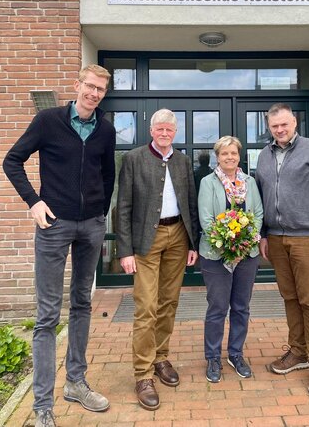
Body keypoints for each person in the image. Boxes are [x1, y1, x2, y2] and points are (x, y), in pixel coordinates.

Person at [3, 64, 116, 427]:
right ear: (77, 85)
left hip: (91, 226)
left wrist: (100, 213)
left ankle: (76, 383)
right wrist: (34, 201)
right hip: (53, 224)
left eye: (100, 89)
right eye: (90, 86)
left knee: (82, 303)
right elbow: (12, 161)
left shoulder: (106, 128)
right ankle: (42, 406)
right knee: (48, 315)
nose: (94, 93)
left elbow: (107, 175)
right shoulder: (48, 121)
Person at [116, 108, 199, 411]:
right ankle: (143, 374)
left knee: (169, 302)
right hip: (145, 242)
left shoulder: (183, 161)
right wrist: (124, 250)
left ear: (175, 133)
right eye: (159, 129)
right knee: (146, 307)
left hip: (177, 235)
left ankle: (161, 357)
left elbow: (189, 202)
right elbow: (123, 206)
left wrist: (193, 242)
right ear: (151, 130)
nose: (164, 134)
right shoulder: (134, 159)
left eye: (169, 130)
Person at [255, 103, 309, 396]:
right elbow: (262, 195)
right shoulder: (265, 156)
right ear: (269, 128)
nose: (280, 130)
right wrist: (264, 234)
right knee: (290, 297)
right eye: (274, 126)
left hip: (307, 238)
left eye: (284, 124)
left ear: (294, 122)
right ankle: (298, 351)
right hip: (276, 239)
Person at [198, 136, 263, 383]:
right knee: (217, 307)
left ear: (239, 156)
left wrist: (246, 238)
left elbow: (257, 212)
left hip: (247, 254)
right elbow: (206, 218)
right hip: (216, 254)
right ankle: (213, 357)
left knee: (241, 307)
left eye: (234, 153)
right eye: (225, 153)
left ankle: (235, 353)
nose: (230, 157)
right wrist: (228, 241)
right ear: (217, 156)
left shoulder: (250, 181)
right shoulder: (208, 182)